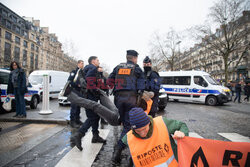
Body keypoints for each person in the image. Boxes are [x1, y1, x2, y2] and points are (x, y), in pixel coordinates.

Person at [108, 50, 145, 164]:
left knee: (124, 122)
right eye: (136, 58)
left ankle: (125, 145)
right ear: (134, 58)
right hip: (130, 98)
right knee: (129, 125)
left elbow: (109, 80)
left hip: (118, 98)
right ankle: (118, 150)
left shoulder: (118, 67)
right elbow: (142, 84)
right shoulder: (136, 68)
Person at [122, 107, 189, 167]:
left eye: (144, 129)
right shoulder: (128, 139)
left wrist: (182, 133)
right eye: (138, 131)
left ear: (149, 123)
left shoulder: (162, 123)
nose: (142, 133)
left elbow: (182, 125)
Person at [70, 56, 106, 151]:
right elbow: (90, 82)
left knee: (96, 116)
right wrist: (96, 91)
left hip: (86, 96)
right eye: (97, 60)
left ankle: (95, 136)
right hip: (90, 97)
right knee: (92, 117)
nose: (98, 61)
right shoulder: (93, 68)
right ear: (93, 61)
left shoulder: (85, 69)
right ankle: (79, 135)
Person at [68, 60, 85, 128]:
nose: (82, 65)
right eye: (81, 63)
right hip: (74, 91)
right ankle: (72, 122)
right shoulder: (74, 72)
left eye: (83, 64)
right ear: (78, 64)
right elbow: (69, 81)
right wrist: (77, 85)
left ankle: (77, 120)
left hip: (80, 92)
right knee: (74, 107)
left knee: (78, 107)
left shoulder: (82, 73)